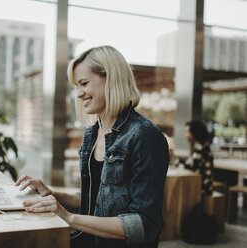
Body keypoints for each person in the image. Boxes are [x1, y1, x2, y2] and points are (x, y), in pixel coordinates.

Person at [15, 45, 169, 248]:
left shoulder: (144, 136)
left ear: (111, 79)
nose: (79, 94)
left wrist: (68, 217)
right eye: (76, 87)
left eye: (84, 84)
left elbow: (144, 225)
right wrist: (52, 195)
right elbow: (96, 200)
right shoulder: (91, 134)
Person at [175, 120, 214, 195]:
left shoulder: (201, 147)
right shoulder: (201, 145)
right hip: (201, 184)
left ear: (195, 133)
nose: (185, 135)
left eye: (187, 132)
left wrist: (176, 161)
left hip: (203, 187)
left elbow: (191, 165)